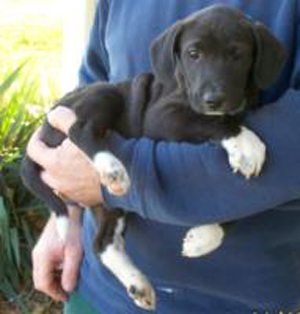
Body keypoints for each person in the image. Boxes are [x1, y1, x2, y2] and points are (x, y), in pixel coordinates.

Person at [27, 0, 300, 313]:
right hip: (101, 292)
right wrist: (67, 212)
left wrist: (122, 177)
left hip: (240, 300)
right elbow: (97, 81)